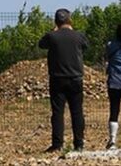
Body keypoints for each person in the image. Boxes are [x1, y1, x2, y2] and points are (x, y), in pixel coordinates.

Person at [38, 8, 90, 152]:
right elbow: (86, 46)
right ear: (69, 20)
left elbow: (41, 44)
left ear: (56, 21)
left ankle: (57, 144)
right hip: (75, 78)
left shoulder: (51, 36)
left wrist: (53, 31)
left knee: (57, 113)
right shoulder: (79, 36)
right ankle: (79, 144)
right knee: (77, 112)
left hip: (57, 79)